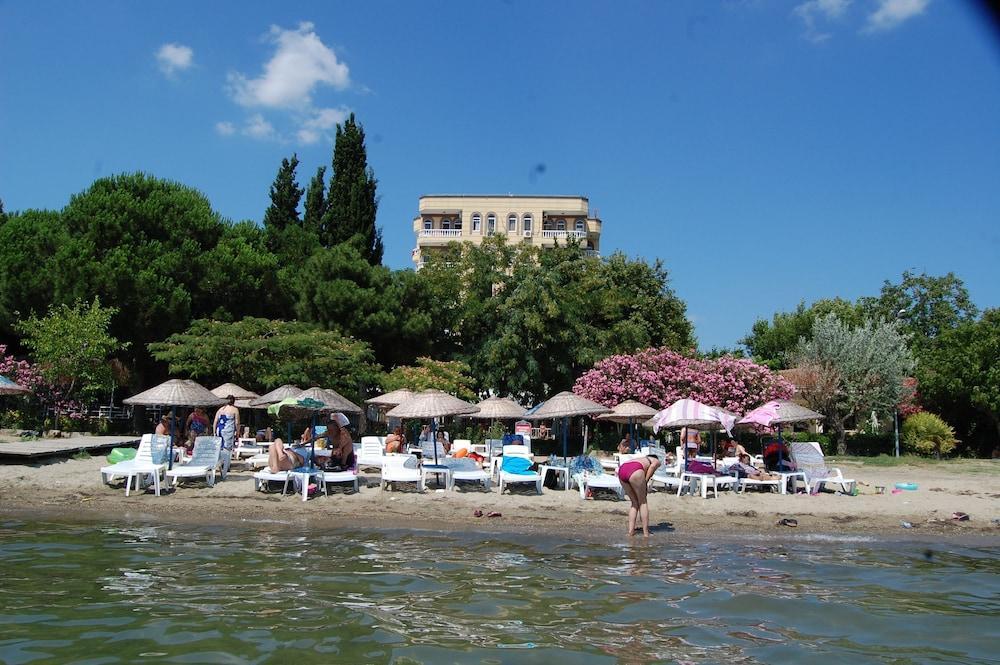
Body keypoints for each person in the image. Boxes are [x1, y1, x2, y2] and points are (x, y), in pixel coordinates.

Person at [617, 454, 661, 537]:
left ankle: (631, 532)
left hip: (622, 470)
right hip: (635, 469)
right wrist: (645, 482)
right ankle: (646, 533)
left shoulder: (641, 459)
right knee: (643, 502)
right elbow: (652, 467)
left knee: (634, 502)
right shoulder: (656, 461)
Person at [213, 395, 240, 480]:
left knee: (219, 448)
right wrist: (238, 433)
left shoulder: (220, 409)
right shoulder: (235, 410)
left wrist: (214, 432)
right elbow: (237, 423)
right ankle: (226, 466)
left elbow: (215, 422)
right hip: (228, 430)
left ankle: (219, 464)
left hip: (219, 430)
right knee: (227, 449)